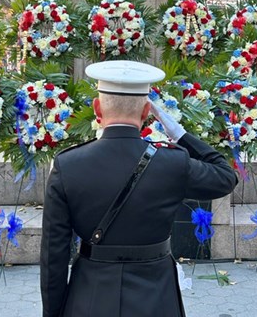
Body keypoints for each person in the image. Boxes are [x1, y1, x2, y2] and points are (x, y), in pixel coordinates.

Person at [40, 60, 238, 317]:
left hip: (90, 295)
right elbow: (225, 177)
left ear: (97, 107)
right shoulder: (172, 162)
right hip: (156, 297)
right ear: (146, 113)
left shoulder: (68, 165)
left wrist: (53, 314)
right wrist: (180, 135)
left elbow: (52, 257)